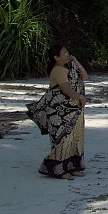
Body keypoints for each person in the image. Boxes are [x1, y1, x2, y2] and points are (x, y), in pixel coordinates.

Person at [26, 45, 88, 180]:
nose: (67, 55)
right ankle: (59, 169)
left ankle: (72, 167)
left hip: (73, 110)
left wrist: (76, 62)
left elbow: (85, 76)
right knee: (62, 140)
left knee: (74, 139)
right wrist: (80, 97)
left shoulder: (70, 68)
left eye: (67, 52)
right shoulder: (58, 70)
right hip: (60, 113)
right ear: (56, 58)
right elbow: (66, 89)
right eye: (64, 53)